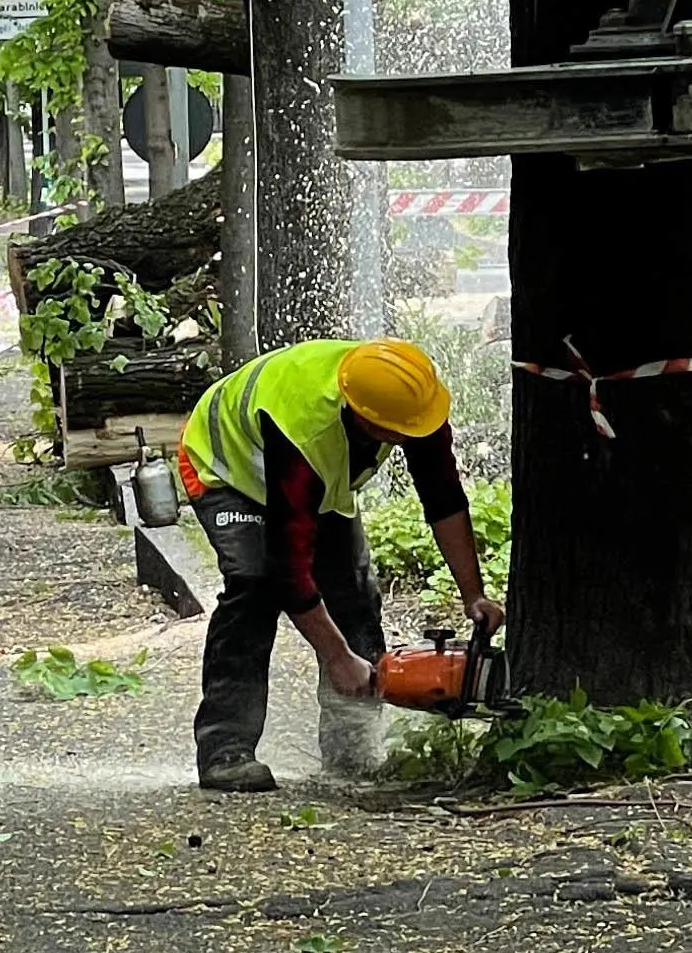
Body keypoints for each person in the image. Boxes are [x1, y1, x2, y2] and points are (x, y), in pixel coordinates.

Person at [174, 337, 502, 791]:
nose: (415, 437)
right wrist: (338, 657)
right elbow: (290, 570)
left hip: (314, 478)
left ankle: (351, 750)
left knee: (352, 594)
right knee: (255, 583)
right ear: (366, 419)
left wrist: (473, 594)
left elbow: (443, 496)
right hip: (226, 466)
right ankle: (225, 748)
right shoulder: (306, 430)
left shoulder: (410, 402)